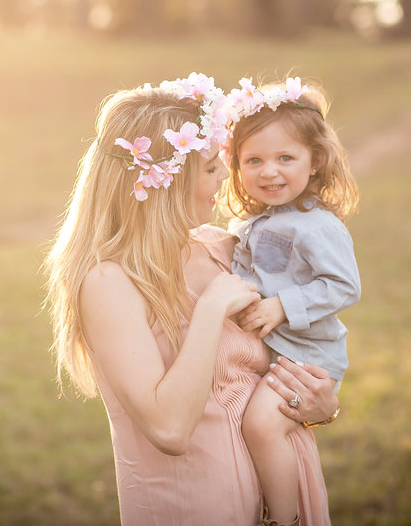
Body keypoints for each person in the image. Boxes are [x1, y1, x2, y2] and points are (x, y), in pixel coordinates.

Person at [44, 74, 341, 526]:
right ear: (166, 182)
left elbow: (303, 336)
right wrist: (210, 310)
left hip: (287, 500)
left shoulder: (222, 248)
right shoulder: (110, 282)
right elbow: (169, 428)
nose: (226, 175)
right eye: (208, 168)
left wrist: (319, 407)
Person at [224, 78, 361, 526]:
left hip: (308, 358)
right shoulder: (250, 223)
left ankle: (282, 519)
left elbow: (344, 286)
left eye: (286, 158)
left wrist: (282, 305)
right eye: (254, 160)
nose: (269, 172)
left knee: (262, 426)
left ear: (315, 161)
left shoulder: (317, 224)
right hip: (278, 352)